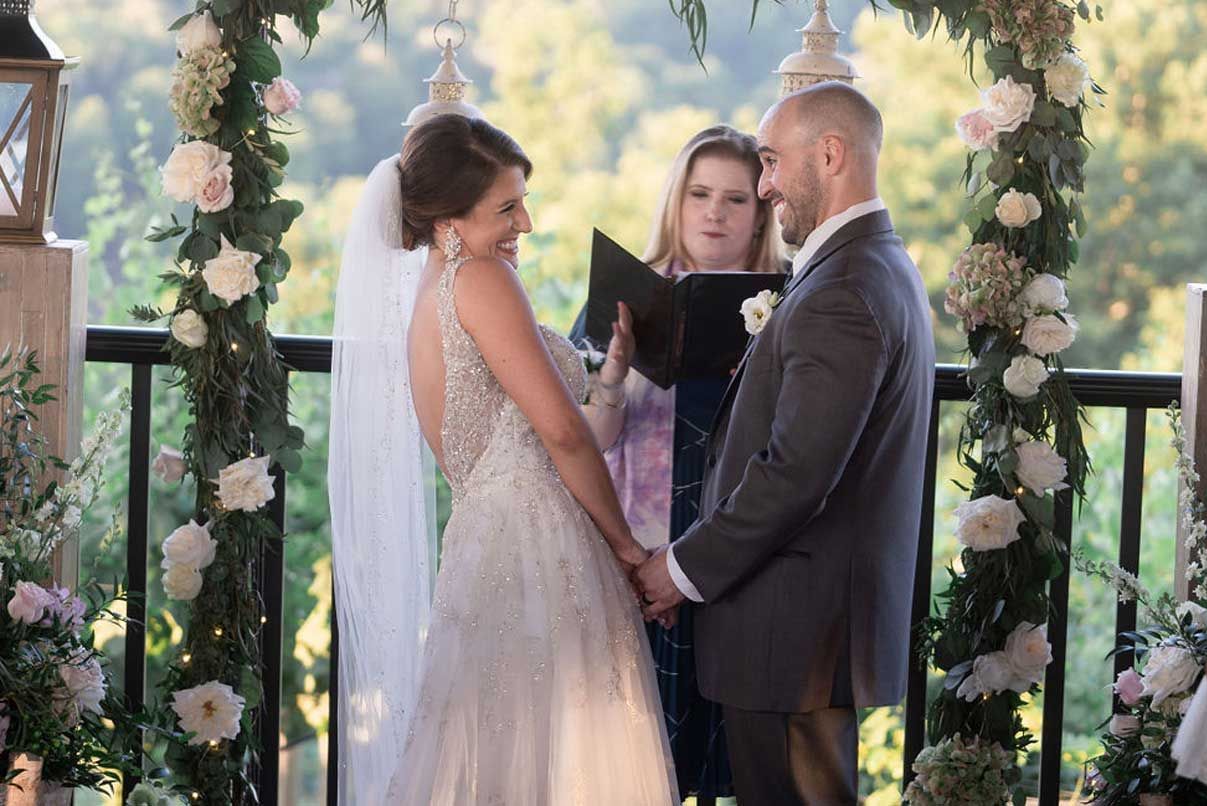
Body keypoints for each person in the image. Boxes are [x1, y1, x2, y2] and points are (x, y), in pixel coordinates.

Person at [328, 114, 679, 804]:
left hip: (488, 544)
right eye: (506, 208)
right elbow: (564, 437)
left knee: (501, 752)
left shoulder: (432, 293)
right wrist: (626, 547)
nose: (525, 222)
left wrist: (609, 377)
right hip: (536, 546)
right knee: (563, 756)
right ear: (447, 220)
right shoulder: (480, 279)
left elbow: (555, 431)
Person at [634, 82, 936, 805]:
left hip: (792, 632)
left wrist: (679, 569)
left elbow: (796, 471)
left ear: (828, 155)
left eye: (770, 163)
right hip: (800, 627)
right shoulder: (871, 266)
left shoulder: (844, 286)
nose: (764, 186)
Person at [574, 124, 783, 801]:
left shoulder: (787, 301)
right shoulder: (625, 294)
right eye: (698, 194)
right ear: (676, 202)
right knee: (636, 758)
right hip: (636, 548)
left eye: (734, 199)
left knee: (727, 756)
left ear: (761, 214)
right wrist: (611, 370)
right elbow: (592, 440)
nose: (713, 213)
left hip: (735, 554)